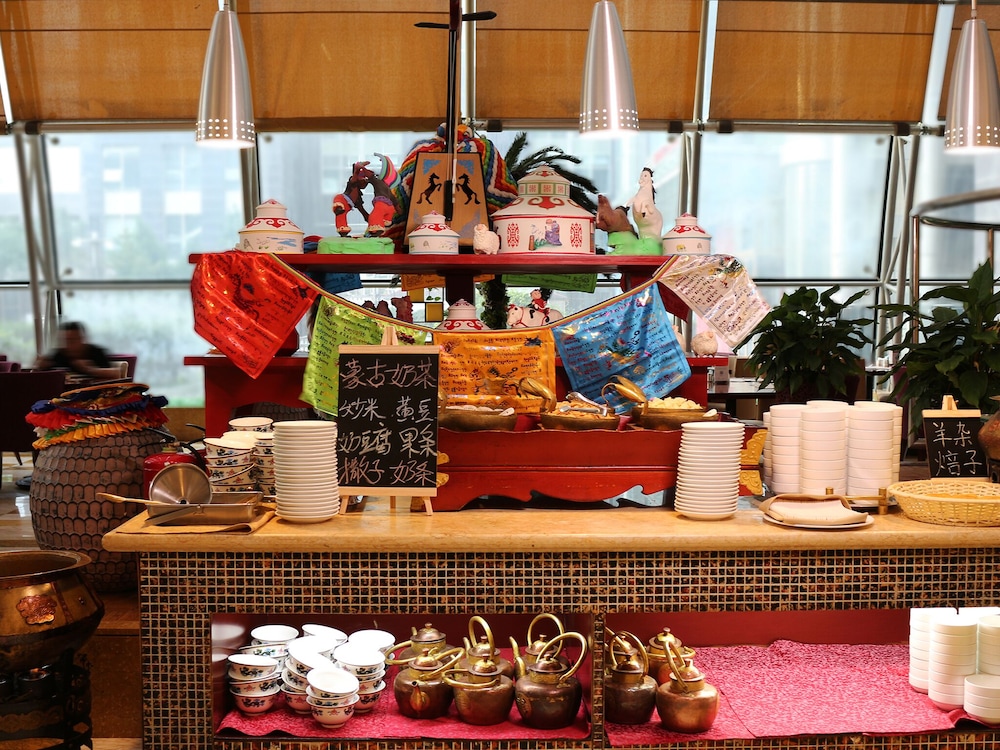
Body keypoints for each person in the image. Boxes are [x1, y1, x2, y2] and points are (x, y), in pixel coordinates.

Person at [34, 321, 121, 381]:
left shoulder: (96, 352)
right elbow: (44, 376)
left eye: (72, 340)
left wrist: (88, 369)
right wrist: (40, 367)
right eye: (65, 340)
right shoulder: (58, 355)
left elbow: (116, 373)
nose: (68, 344)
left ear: (83, 339)